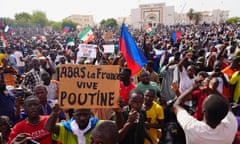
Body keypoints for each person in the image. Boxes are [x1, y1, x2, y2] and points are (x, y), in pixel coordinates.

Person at [173, 89, 238, 143]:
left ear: (203, 111)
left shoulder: (192, 127)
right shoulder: (231, 126)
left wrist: (193, 86)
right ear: (225, 115)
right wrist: (214, 90)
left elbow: (176, 105)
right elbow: (228, 106)